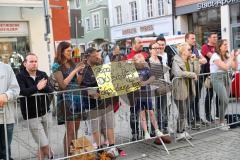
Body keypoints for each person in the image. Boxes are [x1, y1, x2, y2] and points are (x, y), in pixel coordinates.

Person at [79, 47, 119, 158]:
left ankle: (112, 147)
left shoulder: (101, 67)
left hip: (106, 102)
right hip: (92, 105)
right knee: (95, 128)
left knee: (110, 125)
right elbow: (84, 87)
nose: (98, 57)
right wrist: (95, 93)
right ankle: (100, 150)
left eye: (98, 55)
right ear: (88, 57)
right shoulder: (84, 70)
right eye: (95, 55)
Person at [16, 53, 54, 159]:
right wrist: (37, 87)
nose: (34, 64)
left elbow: (50, 89)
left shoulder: (42, 74)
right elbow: (23, 91)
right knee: (44, 143)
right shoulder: (20, 76)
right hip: (31, 114)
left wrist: (40, 87)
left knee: (43, 142)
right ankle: (52, 156)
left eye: (35, 61)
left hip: (45, 111)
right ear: (25, 63)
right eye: (31, 62)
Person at [52, 41, 85, 156]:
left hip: (77, 97)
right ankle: (68, 156)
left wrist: (80, 72)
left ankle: (74, 154)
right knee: (70, 130)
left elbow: (78, 82)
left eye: (71, 50)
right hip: (66, 99)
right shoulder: (56, 65)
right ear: (61, 51)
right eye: (68, 51)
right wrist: (75, 70)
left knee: (76, 129)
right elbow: (63, 85)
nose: (70, 52)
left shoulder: (71, 63)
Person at [171, 43, 200, 139]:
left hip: (189, 89)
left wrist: (195, 60)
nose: (191, 51)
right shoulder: (176, 60)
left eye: (190, 50)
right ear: (182, 51)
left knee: (185, 111)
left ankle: (182, 130)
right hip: (179, 89)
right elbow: (178, 73)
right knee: (182, 111)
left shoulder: (190, 60)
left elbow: (197, 72)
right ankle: (179, 132)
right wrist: (192, 74)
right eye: (188, 49)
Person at [133, 54, 163, 139]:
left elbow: (152, 77)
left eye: (143, 61)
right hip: (138, 96)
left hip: (147, 94)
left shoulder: (146, 69)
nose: (142, 63)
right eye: (140, 61)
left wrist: (145, 82)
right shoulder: (133, 70)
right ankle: (146, 132)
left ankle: (157, 130)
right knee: (142, 114)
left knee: (151, 112)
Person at [210, 39, 238, 131]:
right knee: (225, 100)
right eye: (225, 44)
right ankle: (221, 122)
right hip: (217, 78)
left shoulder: (226, 55)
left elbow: (235, 67)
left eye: (227, 44)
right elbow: (225, 67)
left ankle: (221, 120)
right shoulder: (215, 56)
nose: (227, 46)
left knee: (224, 102)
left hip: (226, 78)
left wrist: (235, 57)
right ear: (220, 46)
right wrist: (231, 58)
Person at [185, 32, 207, 128]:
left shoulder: (195, 49)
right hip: (189, 78)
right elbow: (188, 61)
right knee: (190, 100)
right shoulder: (184, 49)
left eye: (195, 38)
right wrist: (197, 61)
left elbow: (205, 60)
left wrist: (196, 60)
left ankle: (197, 118)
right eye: (192, 38)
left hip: (198, 77)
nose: (194, 40)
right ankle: (190, 120)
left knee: (197, 99)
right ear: (186, 39)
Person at [0, 62, 20, 160]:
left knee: (5, 153)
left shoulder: (6, 68)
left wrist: (6, 95)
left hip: (5, 119)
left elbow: (16, 89)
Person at [201, 32, 219, 122]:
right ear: (209, 38)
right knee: (210, 94)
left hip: (218, 73)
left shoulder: (217, 47)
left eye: (216, 37)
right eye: (214, 37)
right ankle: (208, 115)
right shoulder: (205, 47)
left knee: (219, 94)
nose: (216, 38)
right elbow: (213, 58)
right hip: (208, 74)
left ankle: (218, 114)